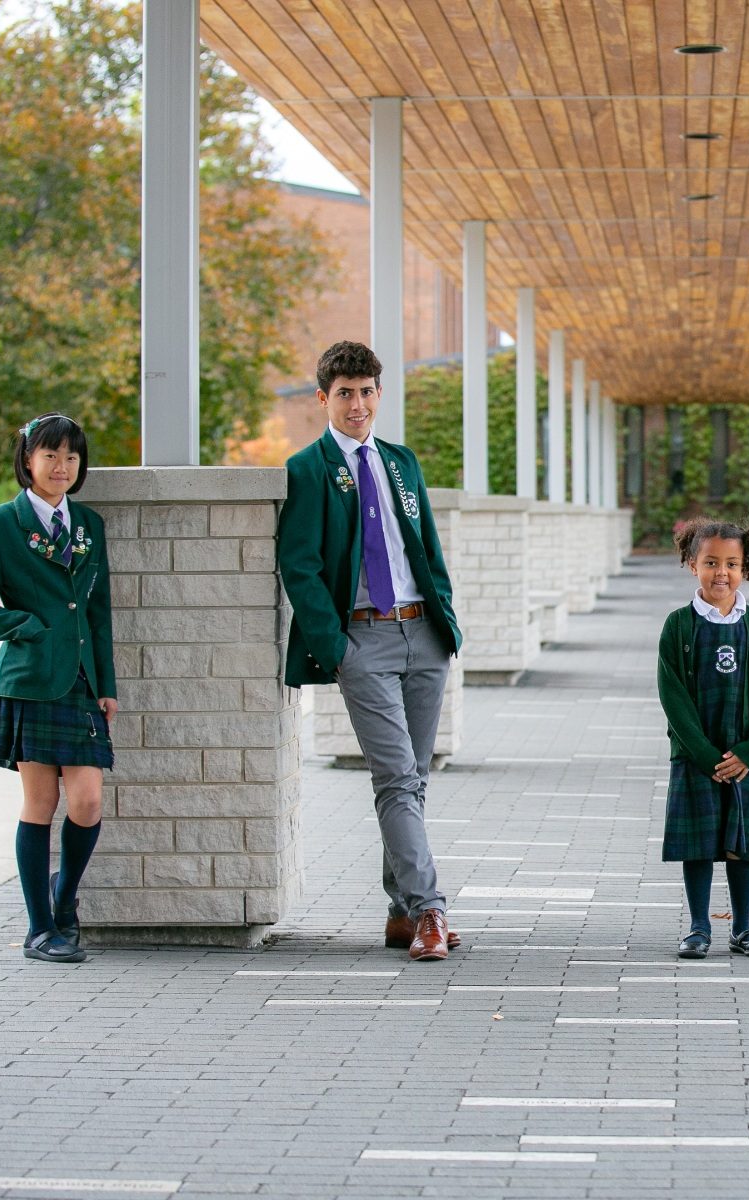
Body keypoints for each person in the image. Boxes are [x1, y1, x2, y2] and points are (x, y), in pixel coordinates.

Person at [277, 341, 463, 961]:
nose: (358, 404)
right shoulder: (307, 469)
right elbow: (299, 565)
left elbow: (426, 547)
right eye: (345, 393)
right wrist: (336, 648)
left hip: (423, 635)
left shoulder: (401, 462)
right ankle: (431, 910)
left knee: (413, 781)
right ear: (323, 399)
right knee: (394, 778)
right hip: (364, 640)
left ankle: (399, 913)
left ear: (379, 393)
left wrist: (447, 622)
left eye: (366, 392)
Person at [0, 414, 116, 964]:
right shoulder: (0, 524)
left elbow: (98, 611)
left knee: (89, 800)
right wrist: (25, 627)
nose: (61, 467)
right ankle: (40, 929)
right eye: (50, 456)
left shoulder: (89, 525)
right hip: (27, 680)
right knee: (40, 802)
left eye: (71, 457)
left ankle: (63, 898)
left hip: (79, 682)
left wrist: (107, 683)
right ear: (28, 460)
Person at [658, 519, 749, 960]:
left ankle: (744, 928)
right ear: (692, 564)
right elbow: (672, 697)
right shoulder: (679, 627)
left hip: (744, 758)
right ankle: (698, 928)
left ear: (745, 566)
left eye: (731, 564)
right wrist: (706, 755)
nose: (721, 573)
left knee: (741, 842)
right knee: (699, 843)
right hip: (697, 758)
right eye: (711, 563)